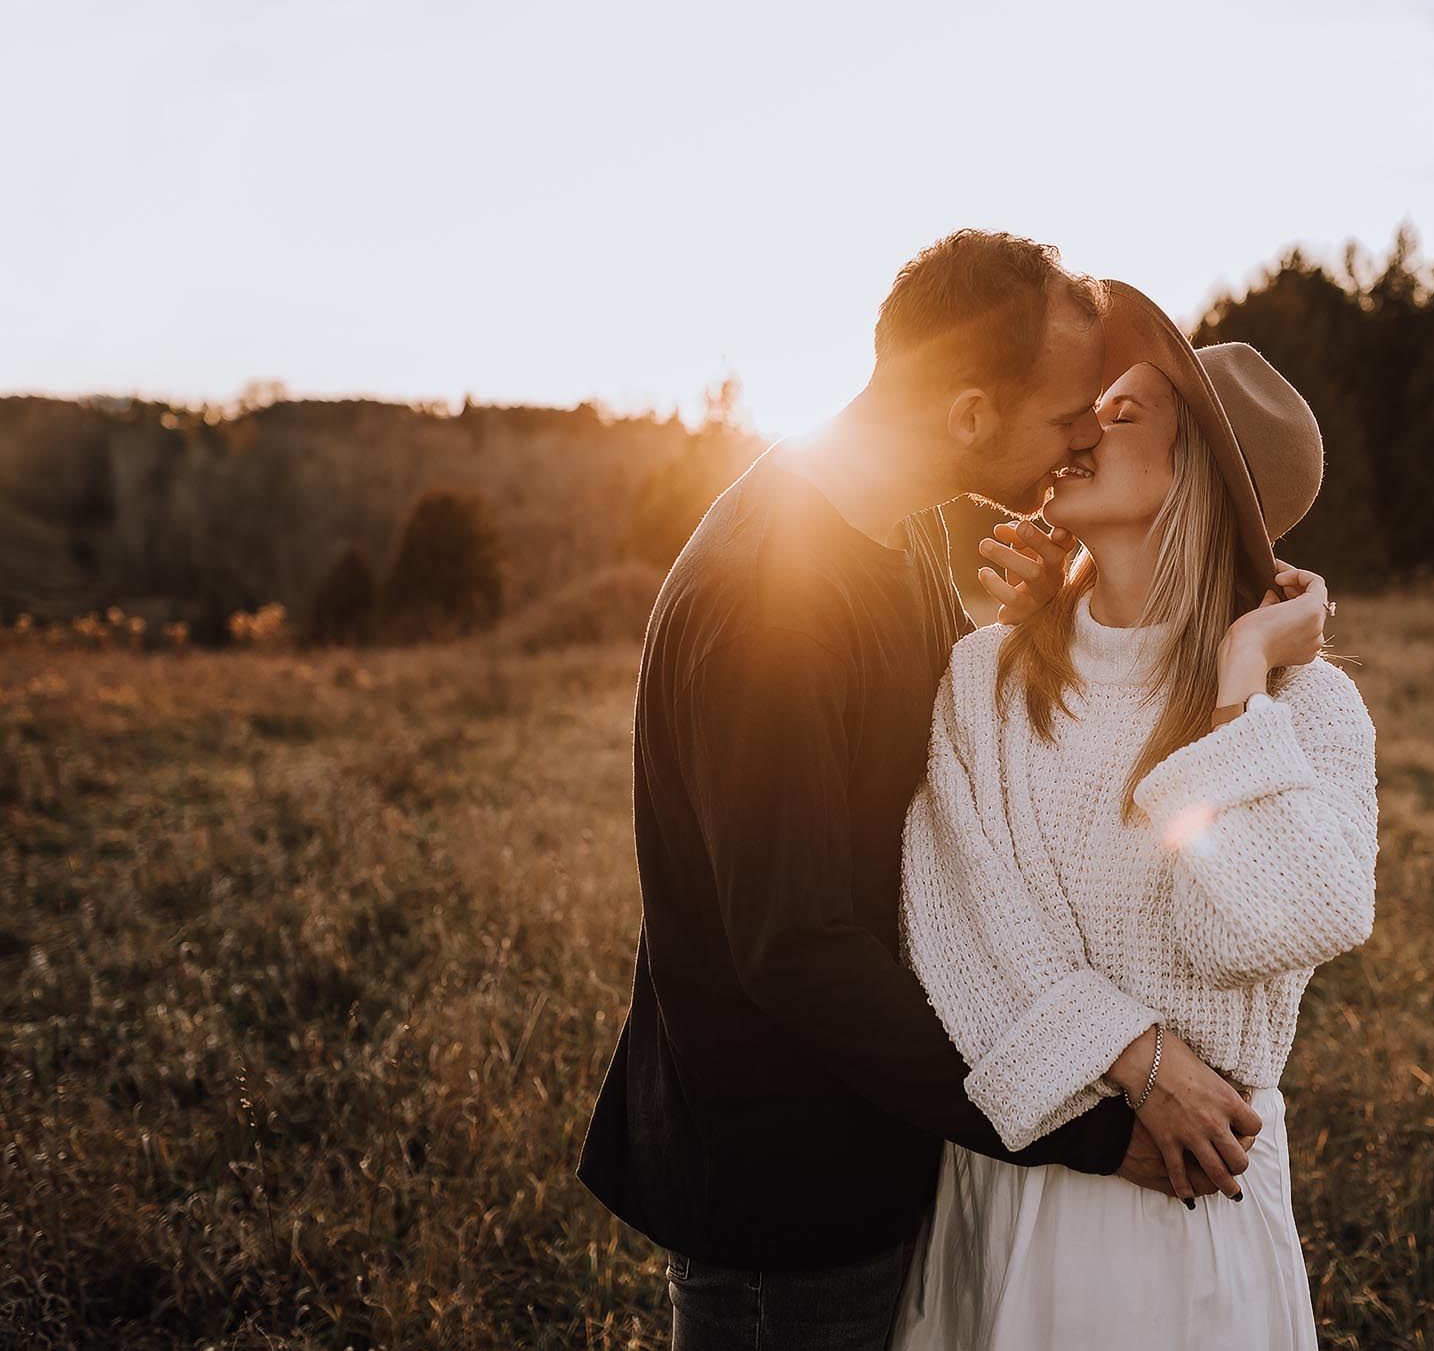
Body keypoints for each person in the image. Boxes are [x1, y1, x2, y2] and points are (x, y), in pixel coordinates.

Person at [575, 234, 1266, 1350]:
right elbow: (797, 949)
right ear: (966, 413)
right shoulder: (774, 597)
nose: (1086, 435)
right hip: (787, 1200)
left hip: (864, 1153)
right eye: (1064, 417)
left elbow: (925, 797)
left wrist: (1030, 630)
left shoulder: (874, 528)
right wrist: (1090, 1129)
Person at [889, 280, 1381, 1349]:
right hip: (1017, 1176)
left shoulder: (1306, 707)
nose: (1078, 429)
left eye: (1120, 414)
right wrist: (1133, 1055)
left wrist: (1236, 678)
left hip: (1188, 1204)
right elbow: (952, 921)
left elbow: (1267, 920)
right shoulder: (985, 678)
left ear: (1198, 472)